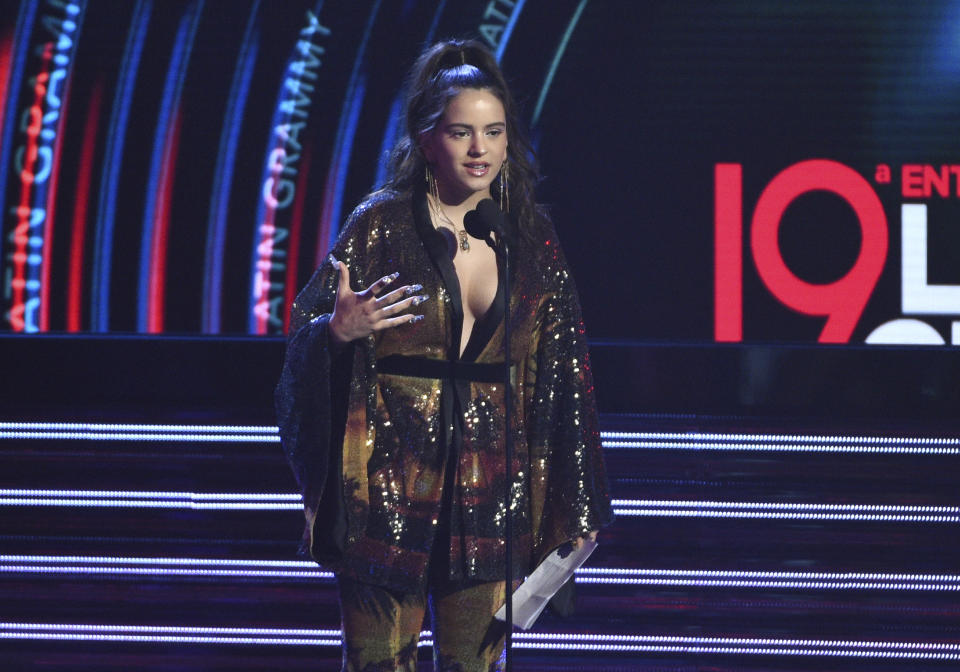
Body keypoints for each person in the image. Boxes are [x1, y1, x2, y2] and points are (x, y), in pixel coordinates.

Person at [275, 38, 613, 672]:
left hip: (493, 494)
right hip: (388, 489)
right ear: (427, 140)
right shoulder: (380, 224)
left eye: (494, 131)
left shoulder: (532, 237)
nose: (480, 149)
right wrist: (334, 333)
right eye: (462, 132)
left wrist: (579, 501)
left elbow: (564, 373)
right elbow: (303, 339)